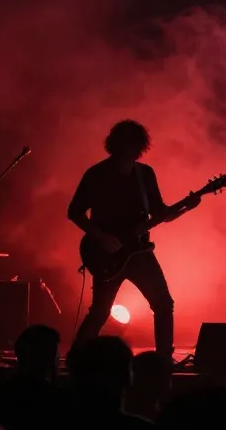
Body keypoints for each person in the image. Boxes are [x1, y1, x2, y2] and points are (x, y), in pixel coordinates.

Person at [68, 120, 201, 360]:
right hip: (106, 253)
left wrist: (186, 207)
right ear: (116, 144)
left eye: (134, 143)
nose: (130, 148)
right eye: (126, 142)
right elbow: (74, 212)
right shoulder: (96, 174)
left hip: (139, 253)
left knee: (163, 304)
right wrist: (102, 237)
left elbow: (160, 214)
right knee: (100, 311)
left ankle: (163, 360)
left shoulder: (145, 174)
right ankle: (76, 358)